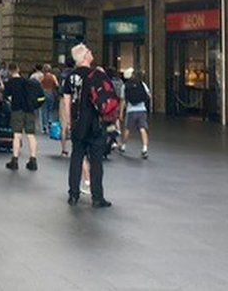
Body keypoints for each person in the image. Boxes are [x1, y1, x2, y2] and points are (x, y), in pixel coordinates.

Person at [62, 44, 111, 208]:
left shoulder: (71, 76)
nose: (91, 53)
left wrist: (69, 121)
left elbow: (67, 100)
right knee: (96, 160)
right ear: (84, 57)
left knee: (77, 157)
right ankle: (97, 197)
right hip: (95, 122)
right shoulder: (97, 74)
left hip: (78, 122)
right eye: (89, 51)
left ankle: (73, 194)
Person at [3, 63, 38, 171]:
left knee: (17, 135)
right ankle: (33, 160)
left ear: (9, 71)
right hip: (29, 110)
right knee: (31, 135)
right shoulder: (27, 81)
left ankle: (15, 160)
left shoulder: (10, 83)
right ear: (18, 69)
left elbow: (6, 96)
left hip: (17, 110)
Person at [120, 70, 151, 159]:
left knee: (127, 129)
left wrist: (121, 113)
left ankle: (123, 146)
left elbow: (123, 100)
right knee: (142, 129)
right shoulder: (142, 83)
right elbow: (149, 95)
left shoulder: (125, 86)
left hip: (131, 111)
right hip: (142, 110)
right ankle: (145, 149)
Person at [40, 64, 59, 132]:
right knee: (50, 109)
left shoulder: (42, 77)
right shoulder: (53, 76)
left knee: (44, 109)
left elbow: (39, 84)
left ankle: (44, 125)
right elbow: (57, 84)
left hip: (44, 93)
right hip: (51, 92)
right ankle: (50, 121)